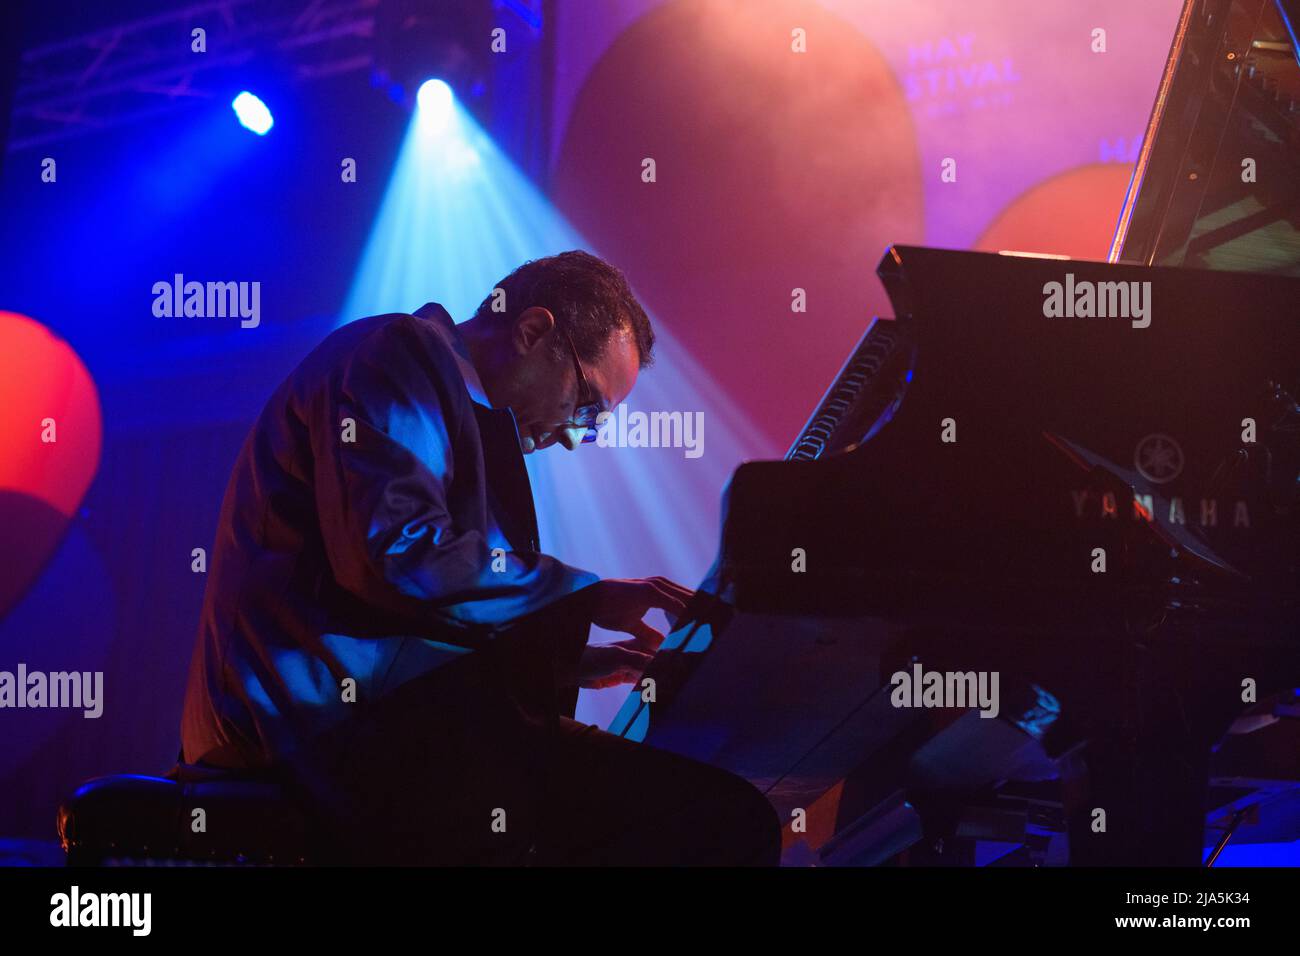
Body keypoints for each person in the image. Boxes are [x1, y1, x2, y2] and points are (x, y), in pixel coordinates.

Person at [180, 250, 782, 865]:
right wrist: (585, 598)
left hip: (352, 727)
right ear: (532, 331)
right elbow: (395, 555)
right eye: (587, 405)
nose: (575, 437)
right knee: (721, 817)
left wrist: (570, 660)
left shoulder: (448, 401)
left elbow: (412, 612)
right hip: (314, 734)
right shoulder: (396, 352)